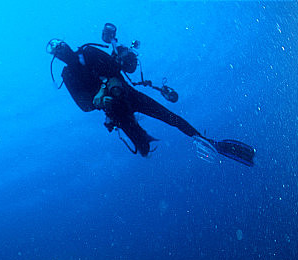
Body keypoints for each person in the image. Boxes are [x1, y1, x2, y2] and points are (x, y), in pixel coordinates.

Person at [47, 23, 255, 166]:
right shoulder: (68, 74)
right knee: (144, 147)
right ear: (57, 57)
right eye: (57, 50)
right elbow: (84, 105)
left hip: (128, 94)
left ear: (66, 46)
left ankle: (208, 141)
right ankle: (202, 142)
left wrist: (113, 73)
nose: (61, 50)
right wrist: (100, 97)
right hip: (115, 109)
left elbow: (115, 67)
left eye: (60, 45)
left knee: (170, 118)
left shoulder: (89, 52)